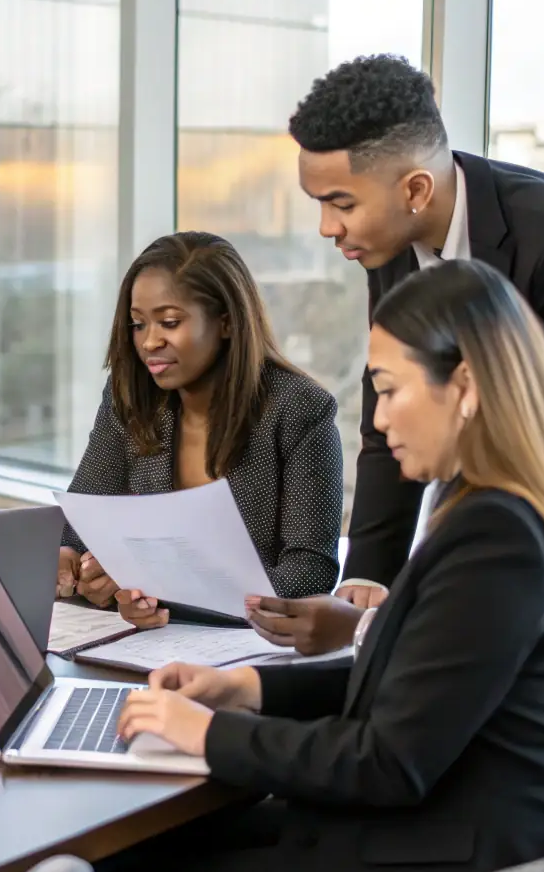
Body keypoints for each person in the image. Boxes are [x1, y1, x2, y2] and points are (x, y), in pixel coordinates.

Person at [68, 259, 544, 872]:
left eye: (392, 388)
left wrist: (205, 734)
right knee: (151, 852)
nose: (381, 417)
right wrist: (247, 691)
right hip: (463, 832)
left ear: (463, 385)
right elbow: (413, 682)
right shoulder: (509, 509)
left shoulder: (495, 536)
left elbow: (387, 761)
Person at [263, 53, 544, 670]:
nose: (328, 227)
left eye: (341, 203)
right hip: (491, 546)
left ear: (415, 189)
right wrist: (366, 586)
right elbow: (385, 420)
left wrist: (398, 614)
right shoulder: (387, 243)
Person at [58, 232, 343, 628]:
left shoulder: (299, 408)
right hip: (145, 645)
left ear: (226, 321)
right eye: (138, 324)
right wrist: (74, 565)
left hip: (252, 649)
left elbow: (311, 572)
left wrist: (161, 594)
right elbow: (78, 523)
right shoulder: (130, 396)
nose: (149, 342)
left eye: (169, 322)